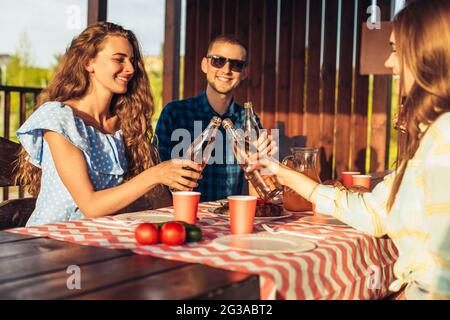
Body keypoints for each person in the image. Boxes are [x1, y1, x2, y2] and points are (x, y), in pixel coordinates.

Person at [247, 0, 450, 300]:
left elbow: (442, 279)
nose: (388, 63)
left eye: (396, 49)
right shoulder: (431, 136)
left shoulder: (444, 136)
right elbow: (376, 212)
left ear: (427, 53)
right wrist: (285, 175)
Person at [15, 22, 202, 226]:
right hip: (49, 240)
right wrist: (156, 174)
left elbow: (149, 197)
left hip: (101, 237)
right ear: (88, 63)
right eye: (119, 59)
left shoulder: (124, 122)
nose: (130, 69)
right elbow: (91, 206)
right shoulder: (59, 118)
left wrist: (174, 182)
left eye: (131, 60)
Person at [155, 35, 268, 202]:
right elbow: (156, 177)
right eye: (218, 61)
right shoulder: (175, 113)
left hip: (229, 218)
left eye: (236, 64)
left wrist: (266, 161)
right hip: (182, 217)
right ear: (204, 65)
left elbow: (260, 177)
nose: (226, 70)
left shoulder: (248, 120)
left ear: (244, 73)